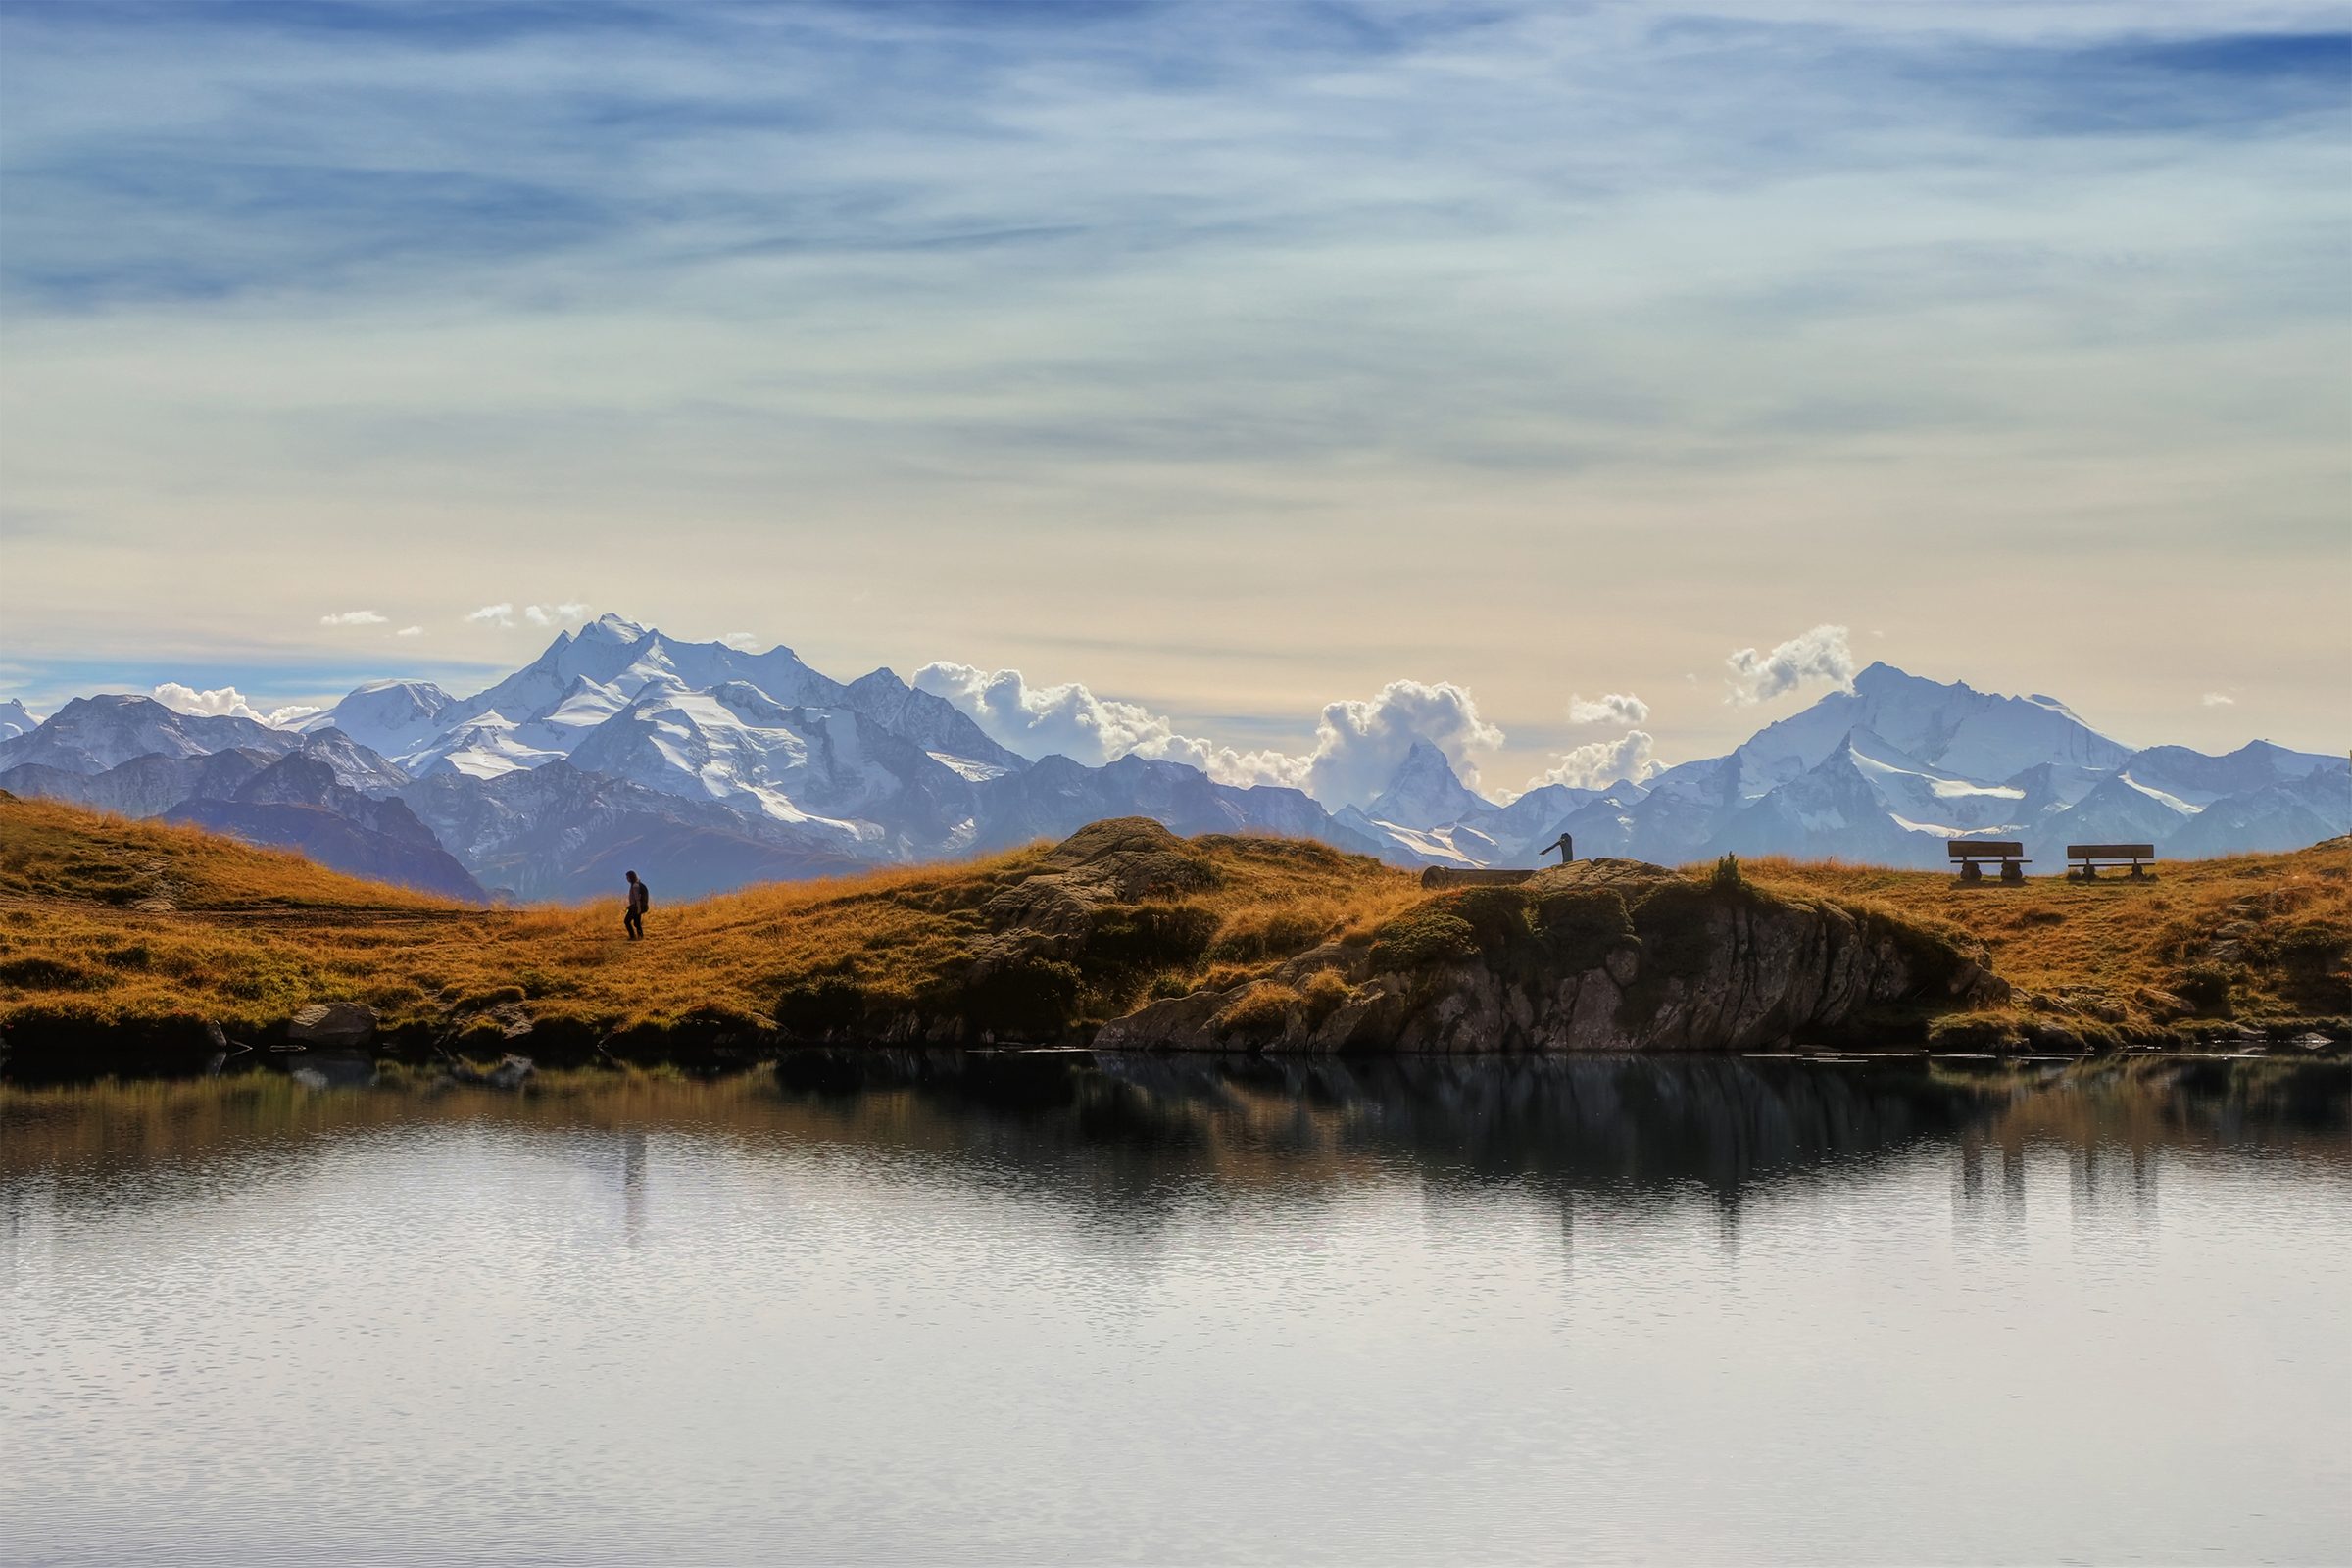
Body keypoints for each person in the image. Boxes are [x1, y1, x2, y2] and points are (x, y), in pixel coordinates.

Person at [623, 869, 650, 940]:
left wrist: (638, 909)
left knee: (627, 921)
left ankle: (632, 936)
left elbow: (637, 899)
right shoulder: (637, 884)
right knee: (637, 923)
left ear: (631, 877)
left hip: (636, 907)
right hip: (638, 907)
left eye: (627, 877)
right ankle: (640, 936)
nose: (627, 879)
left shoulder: (635, 886)